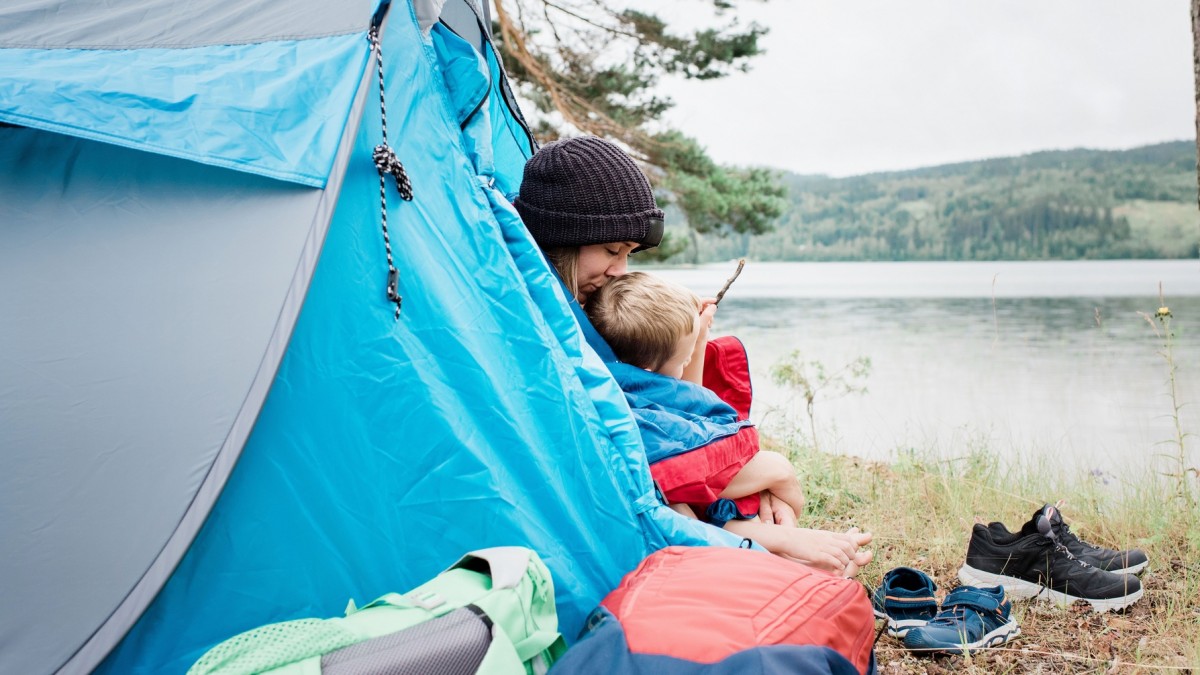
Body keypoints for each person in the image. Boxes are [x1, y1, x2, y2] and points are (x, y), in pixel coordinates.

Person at [514, 135, 872, 576]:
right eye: (611, 251)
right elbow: (643, 451)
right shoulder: (541, 320)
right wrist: (775, 472)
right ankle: (773, 551)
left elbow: (669, 407)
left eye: (628, 254)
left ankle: (776, 543)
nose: (619, 271)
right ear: (565, 240)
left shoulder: (577, 308)